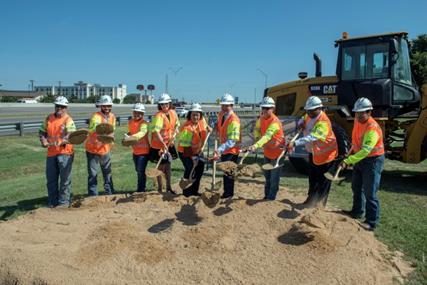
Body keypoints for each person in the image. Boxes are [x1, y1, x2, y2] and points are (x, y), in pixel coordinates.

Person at [339, 97, 384, 231]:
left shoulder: (372, 128)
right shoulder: (358, 122)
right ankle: (357, 211)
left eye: (361, 112)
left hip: (372, 160)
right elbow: (355, 141)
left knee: (370, 192)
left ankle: (371, 222)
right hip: (359, 158)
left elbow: (366, 150)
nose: (358, 115)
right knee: (356, 186)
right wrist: (350, 152)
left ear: (369, 112)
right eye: (356, 113)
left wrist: (348, 161)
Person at [288, 96, 338, 207]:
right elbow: (304, 117)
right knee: (313, 178)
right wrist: (301, 122)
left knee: (323, 181)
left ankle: (320, 205)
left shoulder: (323, 122)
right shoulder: (309, 115)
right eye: (308, 110)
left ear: (319, 108)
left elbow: (312, 137)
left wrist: (295, 143)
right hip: (314, 154)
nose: (309, 112)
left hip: (326, 156)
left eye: (311, 110)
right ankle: (311, 199)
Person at [39, 96, 76, 208]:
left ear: (66, 107)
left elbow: (71, 135)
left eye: (62, 106)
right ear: (55, 106)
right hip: (51, 153)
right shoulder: (48, 118)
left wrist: (62, 141)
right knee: (51, 180)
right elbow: (42, 131)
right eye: (58, 106)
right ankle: (52, 202)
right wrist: (43, 140)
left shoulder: (68, 119)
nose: (60, 108)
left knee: (65, 180)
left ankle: (63, 203)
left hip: (65, 153)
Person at [248, 97, 285, 200]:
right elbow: (257, 129)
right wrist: (256, 137)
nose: (264, 110)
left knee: (274, 178)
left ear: (272, 108)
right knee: (267, 177)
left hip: (277, 154)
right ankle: (266, 196)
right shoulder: (261, 118)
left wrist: (256, 145)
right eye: (263, 107)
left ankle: (271, 198)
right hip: (268, 152)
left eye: (267, 108)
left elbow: (267, 136)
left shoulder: (275, 122)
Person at [85, 95, 116, 196]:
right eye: (104, 106)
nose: (107, 108)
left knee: (107, 173)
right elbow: (96, 130)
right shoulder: (96, 116)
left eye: (108, 106)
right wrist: (105, 133)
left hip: (105, 149)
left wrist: (111, 136)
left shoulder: (112, 117)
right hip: (93, 149)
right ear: (101, 106)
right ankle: (93, 197)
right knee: (93, 174)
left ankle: (110, 194)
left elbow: (112, 130)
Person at [149, 93, 180, 194]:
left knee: (168, 166)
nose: (164, 106)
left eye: (166, 104)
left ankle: (169, 187)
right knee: (160, 167)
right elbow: (157, 131)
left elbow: (177, 124)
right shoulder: (159, 116)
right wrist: (163, 143)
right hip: (158, 145)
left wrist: (176, 130)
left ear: (169, 103)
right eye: (162, 104)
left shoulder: (173, 113)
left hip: (169, 143)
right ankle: (160, 188)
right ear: (160, 105)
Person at [177, 103, 209, 197]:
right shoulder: (187, 128)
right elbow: (186, 147)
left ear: (200, 115)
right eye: (193, 115)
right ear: (190, 115)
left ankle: (194, 192)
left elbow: (205, 125)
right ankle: (186, 193)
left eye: (197, 114)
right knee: (190, 168)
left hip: (198, 150)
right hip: (185, 152)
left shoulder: (202, 121)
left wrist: (209, 128)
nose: (195, 117)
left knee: (200, 168)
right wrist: (193, 158)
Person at [213, 93, 241, 199]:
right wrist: (215, 127)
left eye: (226, 105)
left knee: (229, 174)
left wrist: (219, 149)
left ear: (231, 105)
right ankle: (226, 193)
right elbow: (219, 124)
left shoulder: (234, 120)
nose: (224, 107)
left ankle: (229, 194)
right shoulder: (221, 114)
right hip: (225, 149)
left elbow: (232, 141)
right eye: (223, 105)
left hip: (232, 151)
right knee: (225, 173)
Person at [126, 103, 150, 192]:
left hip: (144, 152)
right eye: (135, 112)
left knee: (140, 171)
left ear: (143, 114)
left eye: (139, 113)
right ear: (133, 112)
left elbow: (142, 133)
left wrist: (132, 137)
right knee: (138, 170)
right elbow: (131, 132)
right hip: (135, 151)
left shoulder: (144, 123)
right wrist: (128, 136)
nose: (137, 115)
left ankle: (141, 190)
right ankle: (141, 187)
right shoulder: (130, 122)